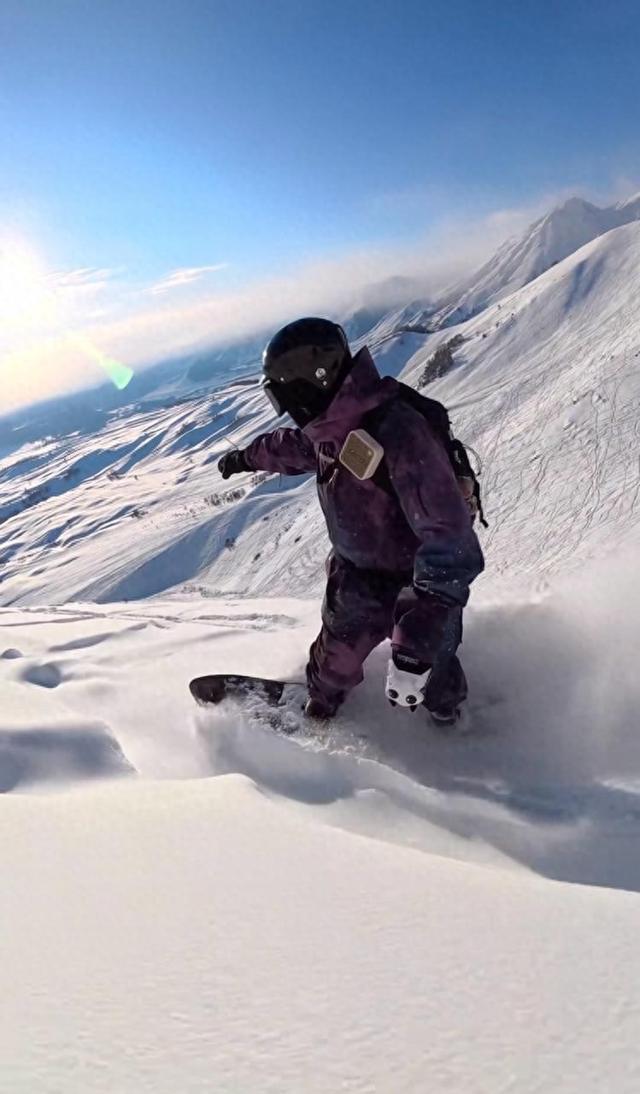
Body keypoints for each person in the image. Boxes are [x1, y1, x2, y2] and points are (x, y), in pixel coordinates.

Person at [218, 317, 484, 724]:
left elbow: (450, 538)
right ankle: (320, 708)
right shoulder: (331, 428)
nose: (287, 410)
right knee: (332, 663)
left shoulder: (398, 432)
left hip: (422, 584)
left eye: (285, 396)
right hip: (357, 577)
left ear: (312, 383)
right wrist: (245, 458)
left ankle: (452, 725)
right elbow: (291, 448)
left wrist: (419, 634)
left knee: (432, 673)